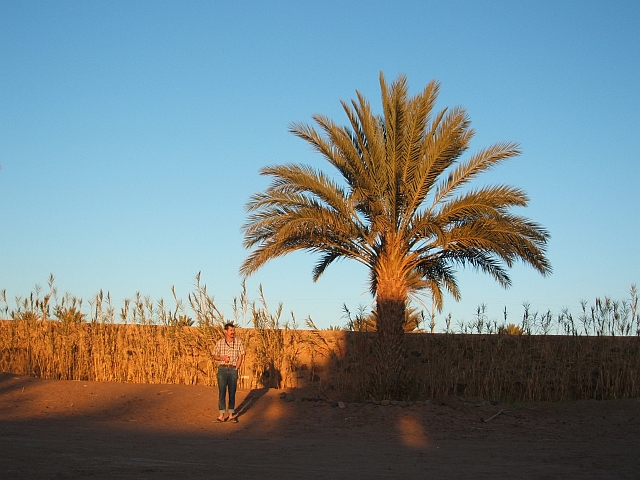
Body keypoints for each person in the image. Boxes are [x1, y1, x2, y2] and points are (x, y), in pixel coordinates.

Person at [212, 322, 245, 422]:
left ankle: (231, 415)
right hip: (222, 368)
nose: (232, 332)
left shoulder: (238, 342)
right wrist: (222, 358)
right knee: (222, 392)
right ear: (225, 331)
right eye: (230, 330)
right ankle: (221, 415)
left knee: (232, 392)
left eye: (233, 330)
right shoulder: (220, 342)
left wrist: (237, 367)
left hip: (232, 369)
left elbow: (241, 355)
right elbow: (213, 355)